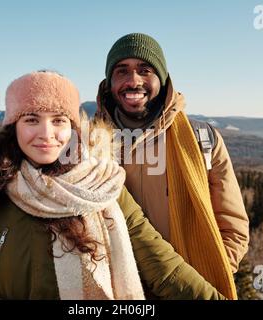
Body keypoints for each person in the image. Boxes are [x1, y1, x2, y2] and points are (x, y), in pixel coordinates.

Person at [0, 70, 225, 300]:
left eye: (59, 120)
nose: (46, 134)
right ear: (14, 126)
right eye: (32, 119)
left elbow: (165, 269)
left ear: (72, 128)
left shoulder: (104, 187)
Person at [95, 33, 250, 299]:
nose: (133, 81)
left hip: (187, 288)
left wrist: (205, 274)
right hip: (115, 291)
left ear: (163, 80)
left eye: (145, 70)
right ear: (110, 83)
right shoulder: (88, 144)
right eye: (122, 71)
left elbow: (233, 225)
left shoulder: (203, 139)